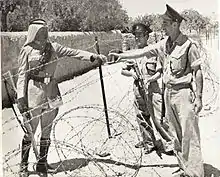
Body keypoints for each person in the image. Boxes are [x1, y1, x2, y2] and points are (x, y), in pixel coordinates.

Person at [109, 4, 204, 177]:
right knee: (176, 134)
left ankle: (196, 173)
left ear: (175, 24)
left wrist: (199, 97)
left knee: (189, 134)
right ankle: (184, 168)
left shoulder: (189, 45)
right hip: (168, 93)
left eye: (166, 23)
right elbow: (142, 51)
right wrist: (120, 56)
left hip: (183, 93)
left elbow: (198, 72)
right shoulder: (164, 44)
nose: (163, 27)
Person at [16, 19, 107, 177]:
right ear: (33, 33)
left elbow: (74, 53)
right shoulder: (27, 50)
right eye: (40, 32)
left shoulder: (54, 47)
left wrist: (92, 56)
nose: (44, 34)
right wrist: (21, 97)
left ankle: (42, 165)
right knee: (30, 131)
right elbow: (22, 76)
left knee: (47, 131)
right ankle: (23, 166)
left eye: (45, 31)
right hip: (34, 93)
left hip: (52, 91)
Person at [120, 23, 171, 154]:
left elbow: (160, 72)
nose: (137, 38)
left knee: (159, 118)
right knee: (142, 117)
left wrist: (150, 79)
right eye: (135, 36)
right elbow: (123, 71)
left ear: (146, 36)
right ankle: (149, 143)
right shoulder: (133, 54)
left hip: (153, 89)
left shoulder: (153, 51)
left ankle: (170, 143)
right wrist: (132, 73)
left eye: (140, 35)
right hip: (138, 89)